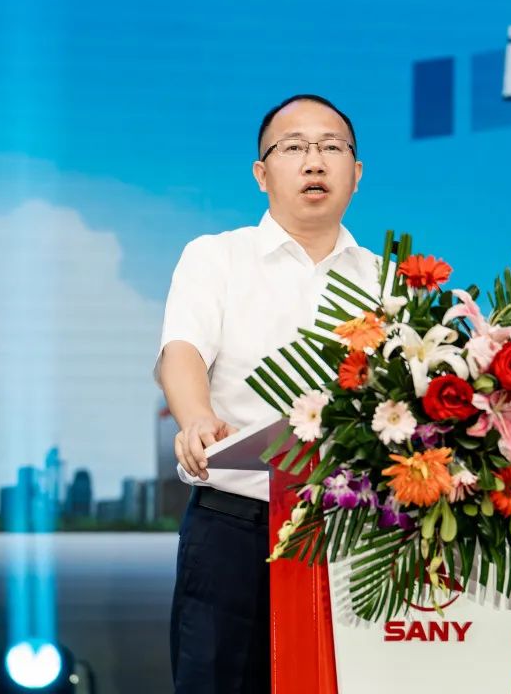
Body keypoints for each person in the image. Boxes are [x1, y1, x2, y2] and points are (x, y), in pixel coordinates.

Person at [155, 94, 379, 694]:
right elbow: (182, 350)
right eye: (295, 147)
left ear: (356, 173)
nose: (315, 161)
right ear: (261, 173)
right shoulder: (216, 257)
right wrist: (197, 419)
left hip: (359, 539)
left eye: (332, 147)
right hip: (236, 530)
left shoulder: (387, 281)